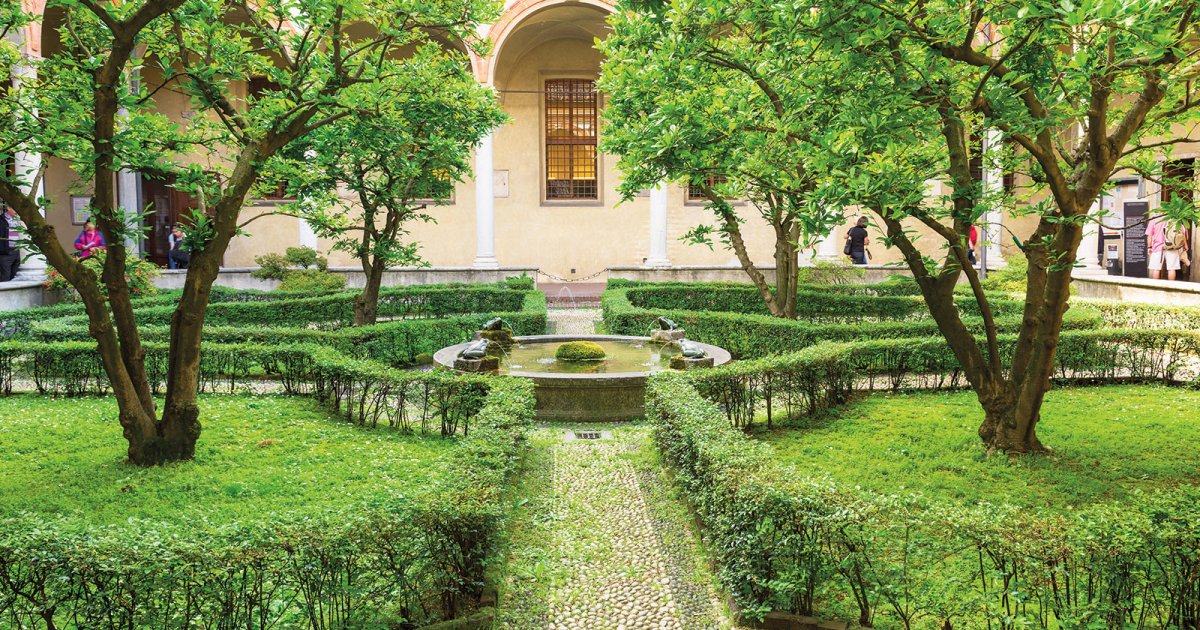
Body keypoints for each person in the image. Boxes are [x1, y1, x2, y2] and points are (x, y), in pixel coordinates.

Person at [1147, 215, 1188, 281]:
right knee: (1171, 268)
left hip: (1157, 247)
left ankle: (1155, 288)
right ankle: (1170, 287)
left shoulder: (1153, 220)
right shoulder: (1174, 219)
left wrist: (1149, 247)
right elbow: (1182, 234)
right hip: (1172, 246)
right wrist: (1185, 245)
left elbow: (1149, 236)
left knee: (1156, 269)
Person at [0, 207, 21, 282]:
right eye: (14, 208)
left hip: (17, 251)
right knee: (5, 277)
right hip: (5, 252)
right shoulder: (1, 220)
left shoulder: (18, 220)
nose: (17, 211)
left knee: (15, 276)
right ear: (8, 208)